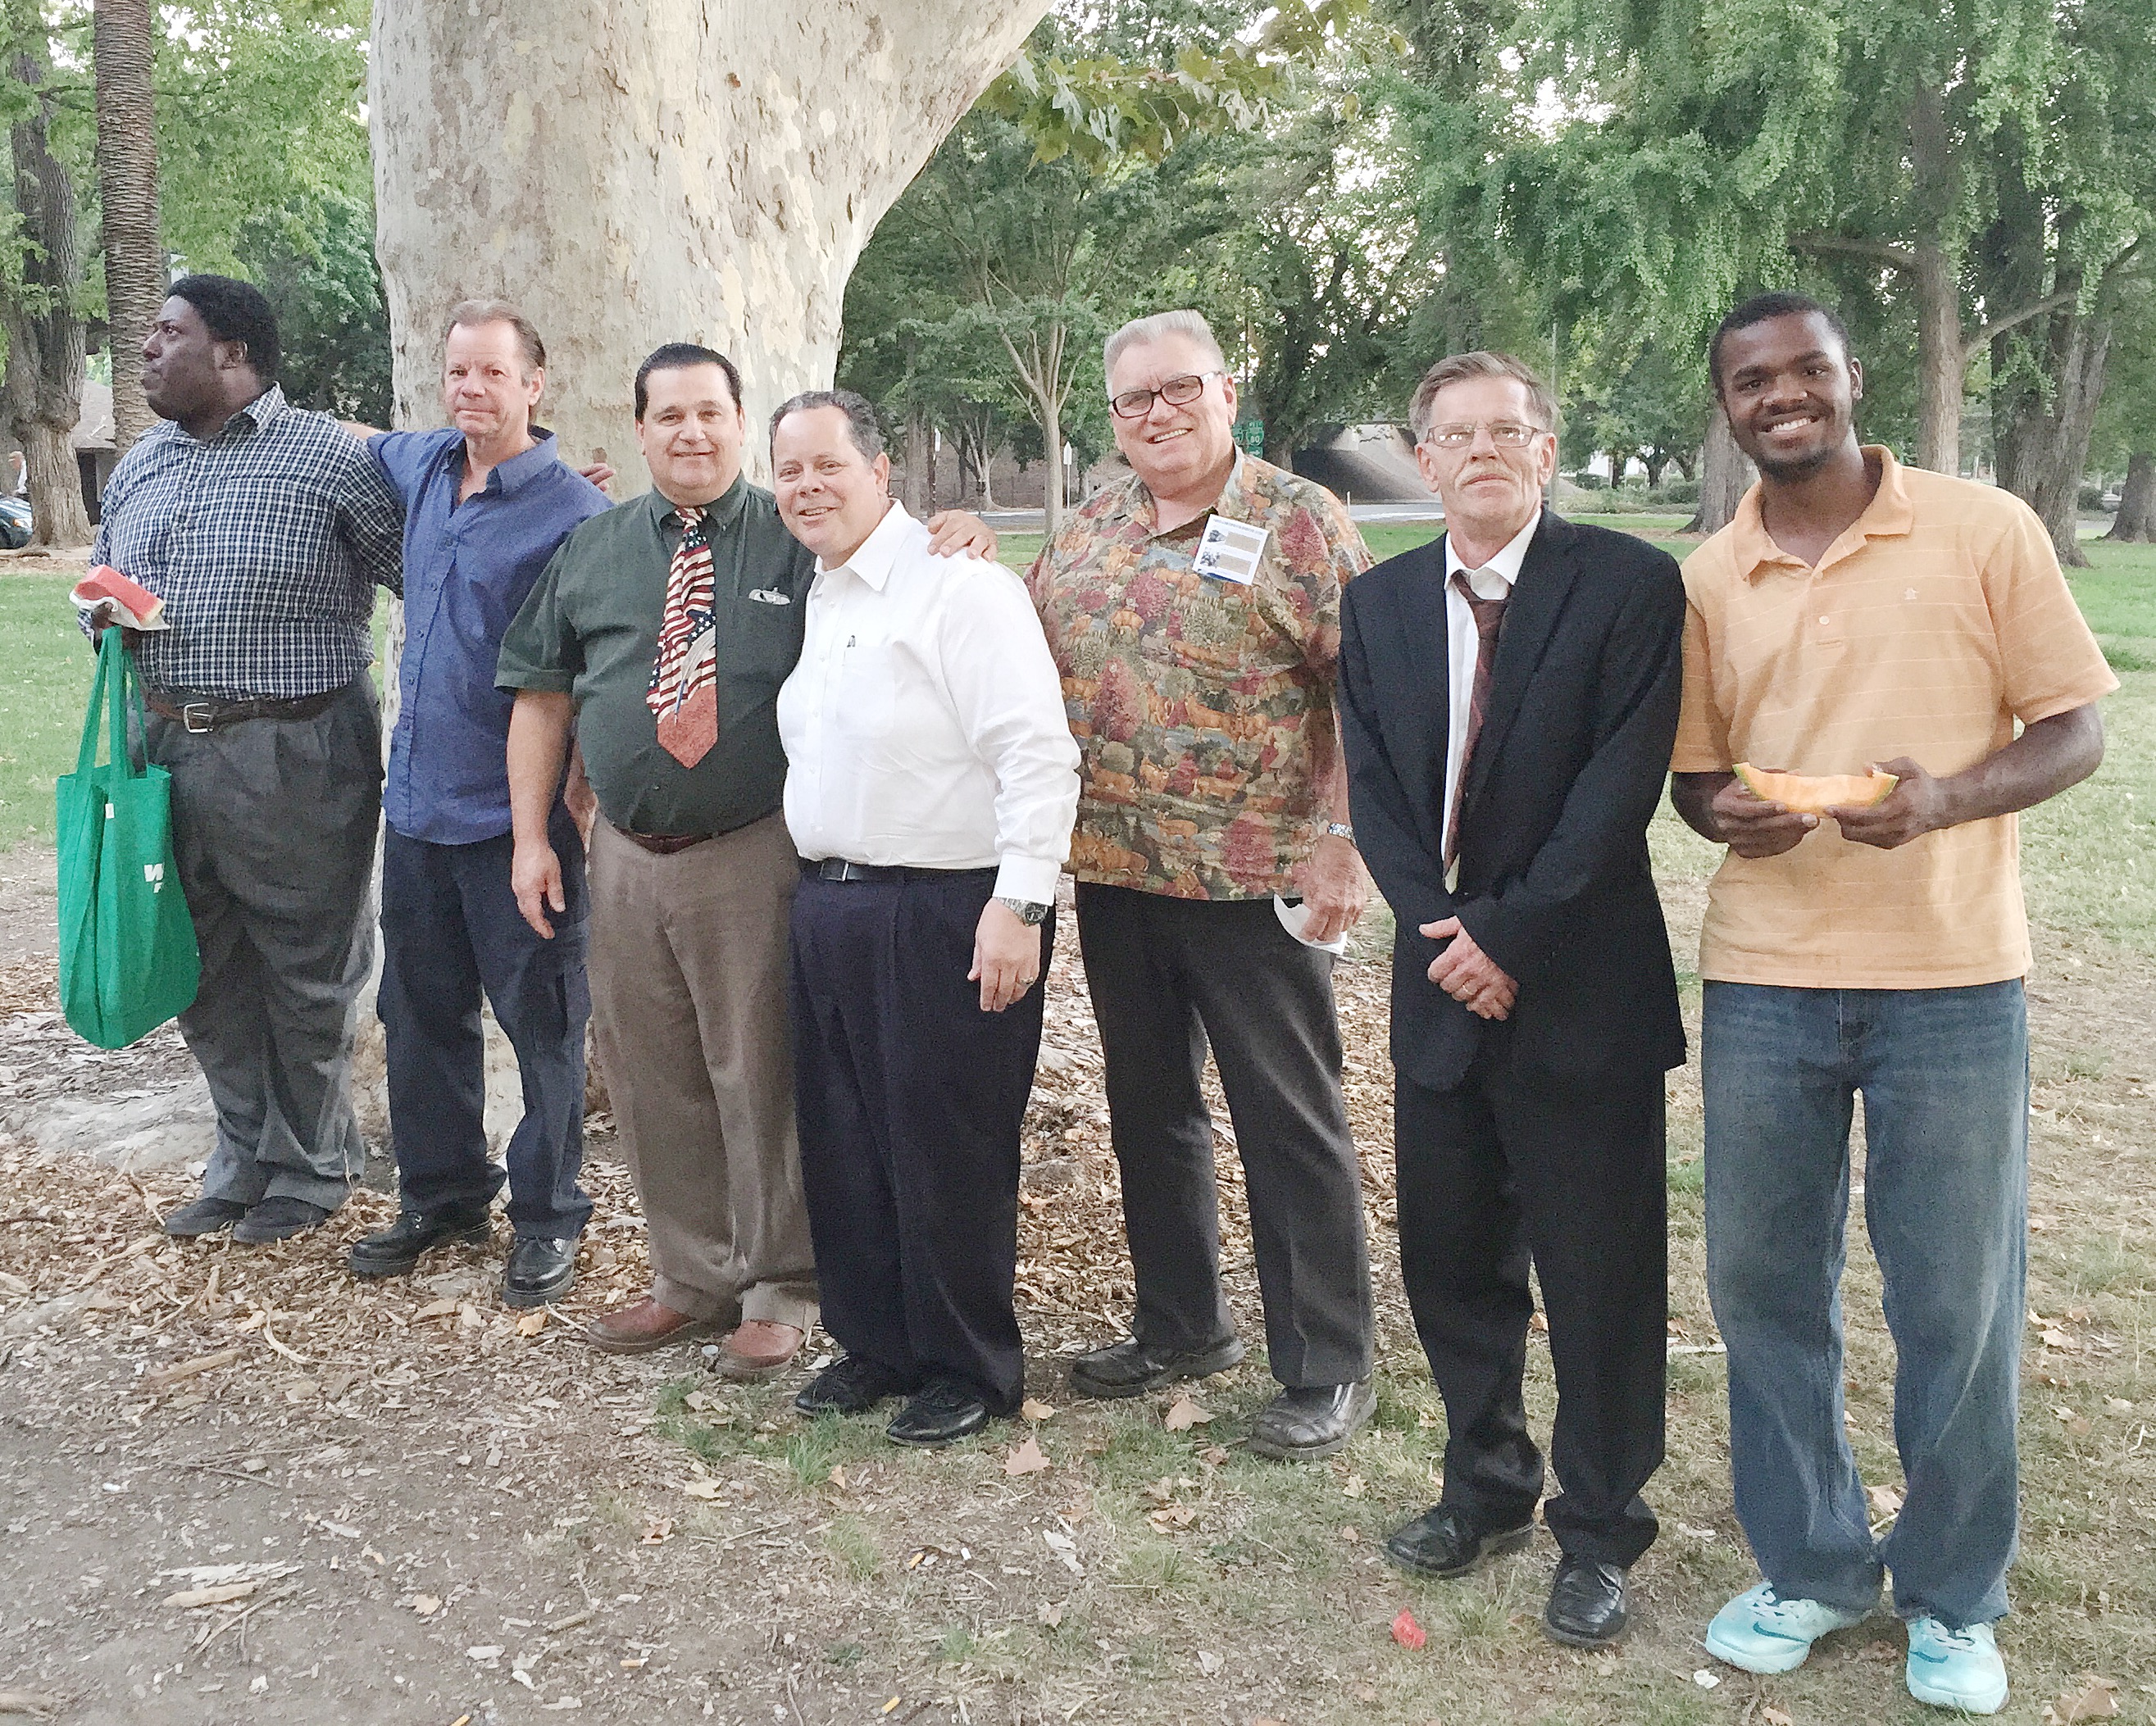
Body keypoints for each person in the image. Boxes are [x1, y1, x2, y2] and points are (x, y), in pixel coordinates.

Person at [1672, 293, 2113, 1715]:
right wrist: (1725, 816)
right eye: (1752, 380)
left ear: (1851, 376)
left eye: (1805, 369)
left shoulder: (1984, 529)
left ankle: (1953, 1595)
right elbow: (1695, 778)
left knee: (1956, 1298)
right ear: (1728, 405)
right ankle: (1810, 1566)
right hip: (1764, 981)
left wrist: (1944, 800)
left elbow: (2075, 728)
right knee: (1761, 1287)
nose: (1781, 395)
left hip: (1952, 976)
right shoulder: (1710, 574)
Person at [497, 344, 995, 1377]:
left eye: (710, 413)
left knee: (761, 1070)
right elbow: (541, 698)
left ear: (738, 423)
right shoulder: (593, 549)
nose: (690, 432)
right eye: (668, 415)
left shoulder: (798, 533)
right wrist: (531, 837)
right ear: (638, 429)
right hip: (623, 854)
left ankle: (781, 1284)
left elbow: (896, 565)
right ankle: (691, 1277)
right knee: (651, 1074)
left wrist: (959, 530)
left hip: (751, 849)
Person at [1338, 351, 1685, 1648]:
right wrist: (1444, 936)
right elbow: (1375, 792)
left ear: (1546, 450)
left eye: (1507, 430)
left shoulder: (1629, 584)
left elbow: (1617, 788)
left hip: (1578, 983)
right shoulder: (1376, 604)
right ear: (1421, 458)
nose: (1481, 450)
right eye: (1455, 433)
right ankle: (1482, 1483)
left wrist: (1507, 935)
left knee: (1598, 1277)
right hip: (1438, 981)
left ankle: (1597, 1527)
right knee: (1451, 1262)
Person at [1026, 309, 1376, 1461]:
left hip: (1254, 880)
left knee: (1286, 1119)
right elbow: (1014, 642)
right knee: (1150, 1109)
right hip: (1117, 871)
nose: (1158, 413)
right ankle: (1181, 1326)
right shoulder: (1091, 525)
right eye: (1134, 399)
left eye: (1180, 388)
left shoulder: (1298, 519)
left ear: (1226, 391)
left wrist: (1341, 838)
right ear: (1113, 419)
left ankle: (1325, 1360)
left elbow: (1368, 689)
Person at [771, 390, 1079, 1446]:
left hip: (946, 906)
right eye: (789, 471)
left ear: (880, 471)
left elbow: (1035, 752)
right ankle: (876, 1344)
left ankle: (966, 1365)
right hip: (830, 903)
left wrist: (1020, 902)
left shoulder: (961, 589)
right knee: (846, 1136)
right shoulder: (823, 592)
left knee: (946, 1143)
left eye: (827, 465)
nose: (807, 487)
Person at [92, 275, 405, 1244]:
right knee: (197, 965)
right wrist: (102, 612)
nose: (147, 348)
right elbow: (104, 578)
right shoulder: (140, 466)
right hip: (160, 747)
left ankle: (312, 1168)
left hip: (297, 749)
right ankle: (241, 1158)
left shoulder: (328, 459)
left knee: (307, 969)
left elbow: (425, 571)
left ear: (231, 354)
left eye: (168, 332)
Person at [344, 302, 611, 1306]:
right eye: (458, 372)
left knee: (543, 1023)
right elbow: (360, 437)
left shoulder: (574, 515)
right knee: (417, 1014)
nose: (472, 389)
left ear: (534, 384)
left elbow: (589, 676)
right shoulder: (424, 466)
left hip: (515, 823)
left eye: (493, 373)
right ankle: (443, 1195)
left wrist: (568, 809)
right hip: (414, 810)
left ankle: (548, 1216)